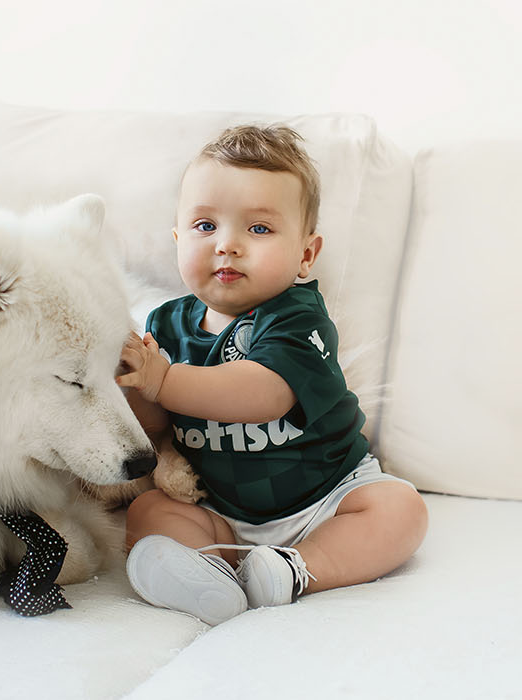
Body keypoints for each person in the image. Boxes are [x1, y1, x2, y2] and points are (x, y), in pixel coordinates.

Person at [116, 124, 428, 625]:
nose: (227, 245)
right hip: (222, 508)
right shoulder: (165, 325)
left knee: (401, 510)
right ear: (177, 238)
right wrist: (133, 386)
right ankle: (212, 575)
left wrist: (163, 381)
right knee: (148, 512)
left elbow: (265, 393)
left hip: (326, 497)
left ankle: (299, 568)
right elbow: (158, 429)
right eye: (204, 226)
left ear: (305, 255)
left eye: (258, 229)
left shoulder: (297, 317)